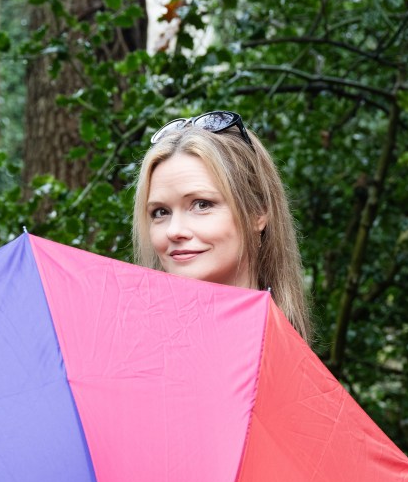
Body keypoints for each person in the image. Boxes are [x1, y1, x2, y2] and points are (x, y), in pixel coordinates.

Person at [132, 110, 312, 342]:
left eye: (202, 204)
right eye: (160, 212)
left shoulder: (285, 361)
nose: (174, 230)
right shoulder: (131, 350)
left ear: (257, 212)